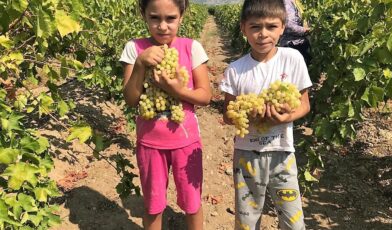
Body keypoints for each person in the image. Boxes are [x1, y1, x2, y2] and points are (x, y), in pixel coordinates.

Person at [220, 0, 312, 229]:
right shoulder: (235, 69)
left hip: (283, 153)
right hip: (246, 155)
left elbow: (304, 105)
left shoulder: (293, 59)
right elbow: (229, 115)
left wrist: (286, 117)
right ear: (243, 28)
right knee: (247, 220)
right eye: (255, 27)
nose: (263, 34)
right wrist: (249, 114)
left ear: (282, 27)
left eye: (271, 27)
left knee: (294, 222)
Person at [119, 0, 211, 229]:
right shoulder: (135, 49)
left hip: (186, 142)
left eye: (170, 18)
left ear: (182, 15)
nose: (162, 26)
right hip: (150, 143)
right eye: (154, 18)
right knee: (153, 204)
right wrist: (140, 64)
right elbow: (131, 99)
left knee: (192, 202)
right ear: (143, 15)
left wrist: (177, 90)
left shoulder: (192, 48)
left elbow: (205, 96)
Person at [279, 0, 311, 66]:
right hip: (292, 45)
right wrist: (305, 30)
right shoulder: (287, 2)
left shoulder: (297, 2)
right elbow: (288, 26)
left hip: (300, 44)